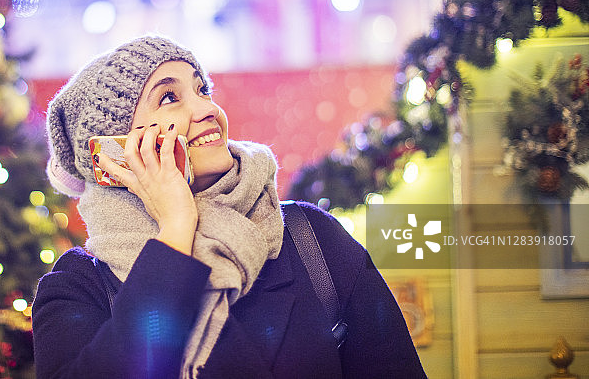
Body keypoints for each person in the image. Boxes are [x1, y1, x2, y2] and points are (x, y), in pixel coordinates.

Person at [33, 35, 426, 379]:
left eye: (202, 90)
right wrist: (175, 227)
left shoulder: (312, 241)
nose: (207, 110)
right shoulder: (78, 287)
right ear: (115, 156)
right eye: (169, 97)